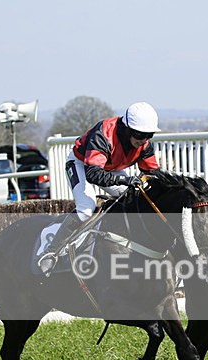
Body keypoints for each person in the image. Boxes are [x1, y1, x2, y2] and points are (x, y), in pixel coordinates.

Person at [37, 102, 161, 275]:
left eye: (149, 134)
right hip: (81, 164)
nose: (143, 139)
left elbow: (153, 173)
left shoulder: (145, 144)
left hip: (111, 167)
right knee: (86, 208)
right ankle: (50, 252)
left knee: (134, 200)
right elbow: (94, 175)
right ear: (127, 128)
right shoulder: (103, 133)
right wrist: (125, 180)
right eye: (140, 134)